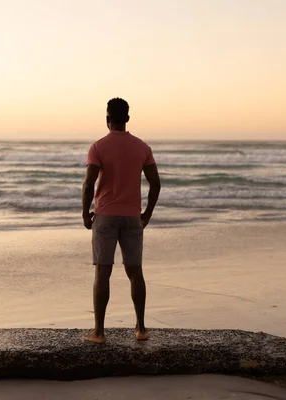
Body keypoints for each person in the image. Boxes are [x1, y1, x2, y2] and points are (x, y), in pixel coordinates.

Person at [81, 98, 161, 344]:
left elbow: (88, 183)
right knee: (135, 272)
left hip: (105, 215)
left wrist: (86, 213)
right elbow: (155, 183)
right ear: (127, 119)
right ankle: (141, 328)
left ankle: (99, 332)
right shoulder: (142, 147)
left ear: (107, 119)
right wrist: (146, 214)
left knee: (102, 273)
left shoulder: (98, 147)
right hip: (132, 217)